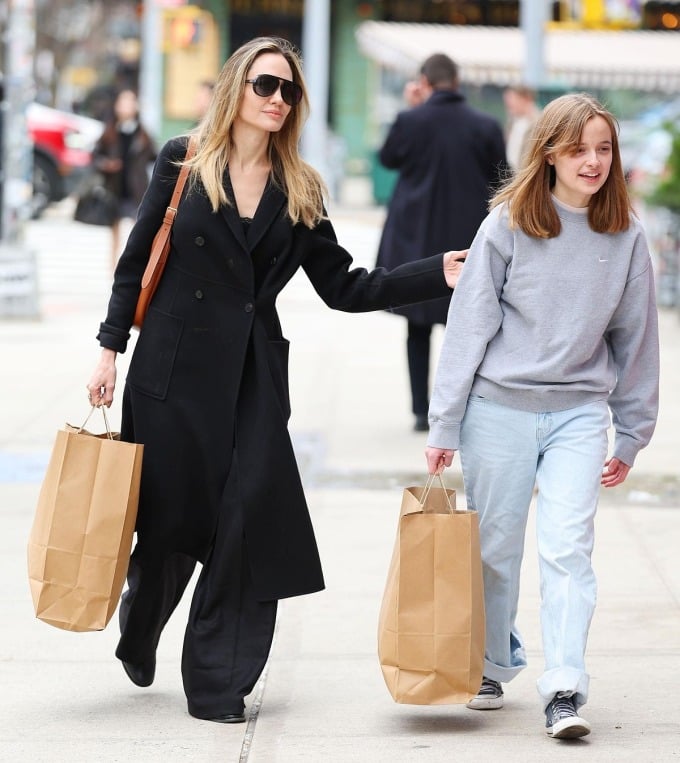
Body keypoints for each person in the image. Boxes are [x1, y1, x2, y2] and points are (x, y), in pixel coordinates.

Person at [85, 36, 466, 724]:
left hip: (251, 378)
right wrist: (109, 349)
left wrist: (433, 270)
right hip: (170, 374)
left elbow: (346, 285)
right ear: (237, 86)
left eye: (288, 91)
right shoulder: (183, 159)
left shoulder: (300, 189)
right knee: (172, 523)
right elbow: (136, 257)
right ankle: (141, 625)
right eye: (265, 85)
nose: (277, 100)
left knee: (243, 524)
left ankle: (216, 681)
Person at [425, 93, 659, 739]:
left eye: (604, 148)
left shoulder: (627, 234)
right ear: (549, 151)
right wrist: (443, 423)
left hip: (579, 414)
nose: (593, 161)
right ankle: (493, 663)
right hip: (497, 408)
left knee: (567, 550)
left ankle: (563, 688)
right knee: (495, 550)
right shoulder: (506, 224)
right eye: (579, 148)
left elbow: (636, 340)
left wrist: (633, 430)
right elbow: (469, 326)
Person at [376, 53, 507, 432]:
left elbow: (388, 158)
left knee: (417, 329)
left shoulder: (410, 120)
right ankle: (460, 406)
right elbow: (503, 179)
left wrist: (412, 107)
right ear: (457, 80)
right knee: (465, 327)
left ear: (425, 83)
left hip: (417, 241)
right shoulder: (485, 125)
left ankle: (421, 411)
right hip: (468, 242)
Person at [91, 88, 157, 271]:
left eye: (130, 102)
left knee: (138, 233)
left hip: (137, 190)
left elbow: (155, 157)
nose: (126, 106)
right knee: (114, 233)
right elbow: (95, 156)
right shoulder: (110, 131)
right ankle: (113, 271)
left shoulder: (143, 134)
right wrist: (106, 165)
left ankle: (134, 270)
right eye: (123, 101)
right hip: (116, 189)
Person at [503, 84, 541, 172]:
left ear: (526, 99)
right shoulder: (512, 122)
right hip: (511, 177)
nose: (508, 103)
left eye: (512, 98)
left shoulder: (539, 123)